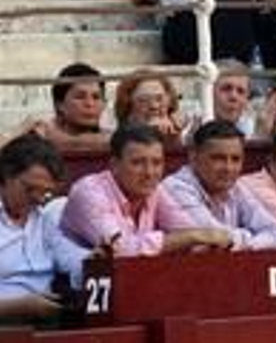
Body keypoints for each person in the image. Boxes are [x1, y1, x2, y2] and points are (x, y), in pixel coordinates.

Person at [60, 125, 234, 256]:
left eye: (156, 163)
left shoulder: (155, 191)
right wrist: (192, 238)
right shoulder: (89, 192)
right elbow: (119, 249)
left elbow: (188, 230)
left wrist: (203, 242)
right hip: (69, 291)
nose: (149, 173)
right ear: (114, 165)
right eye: (138, 163)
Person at [158, 120, 276, 251]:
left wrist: (243, 243)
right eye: (218, 158)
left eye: (235, 159)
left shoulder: (236, 188)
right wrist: (251, 238)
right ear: (193, 157)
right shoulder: (175, 188)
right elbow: (214, 238)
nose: (228, 168)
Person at [0, 134, 77, 321]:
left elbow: (70, 258)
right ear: (6, 176)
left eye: (46, 191)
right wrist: (21, 307)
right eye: (30, 189)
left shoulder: (46, 217)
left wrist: (95, 258)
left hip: (46, 318)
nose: (39, 198)